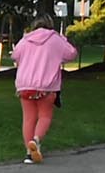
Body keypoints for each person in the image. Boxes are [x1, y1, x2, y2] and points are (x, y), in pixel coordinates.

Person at [11, 15, 78, 164]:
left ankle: (29, 154)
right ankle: (36, 140)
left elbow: (15, 55)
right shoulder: (55, 39)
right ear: (50, 25)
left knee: (28, 118)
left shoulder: (25, 39)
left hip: (25, 84)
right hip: (46, 86)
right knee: (45, 116)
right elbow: (72, 54)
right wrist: (63, 40)